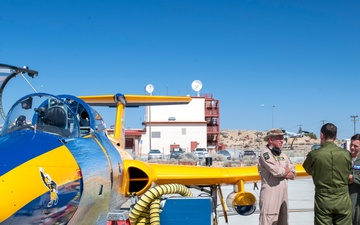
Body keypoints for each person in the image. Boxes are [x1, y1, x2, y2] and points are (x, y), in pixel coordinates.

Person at [303, 123, 352, 225]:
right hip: (343, 198)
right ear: (336, 136)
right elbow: (348, 171)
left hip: (323, 199)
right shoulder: (346, 154)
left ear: (321, 135)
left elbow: (308, 170)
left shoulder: (314, 155)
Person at [258, 128, 296, 225]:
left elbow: (293, 173)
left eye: (282, 138)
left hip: (283, 195)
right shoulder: (265, 154)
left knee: (283, 221)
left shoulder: (283, 155)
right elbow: (276, 171)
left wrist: (285, 171)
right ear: (271, 140)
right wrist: (285, 170)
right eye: (279, 138)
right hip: (270, 193)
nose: (282, 140)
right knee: (268, 220)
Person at [349, 133, 360, 225]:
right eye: (351, 145)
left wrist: (354, 178)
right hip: (347, 197)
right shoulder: (345, 158)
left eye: (355, 146)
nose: (352, 147)